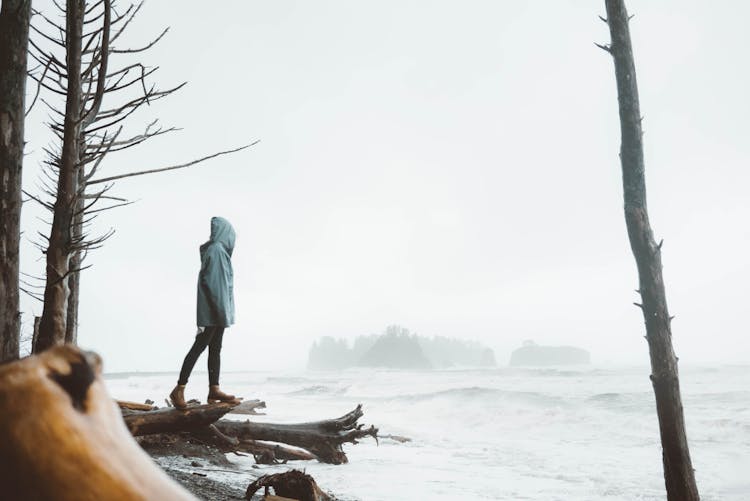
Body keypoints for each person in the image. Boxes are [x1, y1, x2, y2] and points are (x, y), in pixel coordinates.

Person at [169, 217, 240, 409]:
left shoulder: (220, 252)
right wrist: (221, 311)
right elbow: (214, 285)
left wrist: (225, 312)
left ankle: (214, 389)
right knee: (199, 347)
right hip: (213, 310)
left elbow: (224, 286)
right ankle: (179, 389)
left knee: (215, 349)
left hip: (219, 310)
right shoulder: (216, 250)